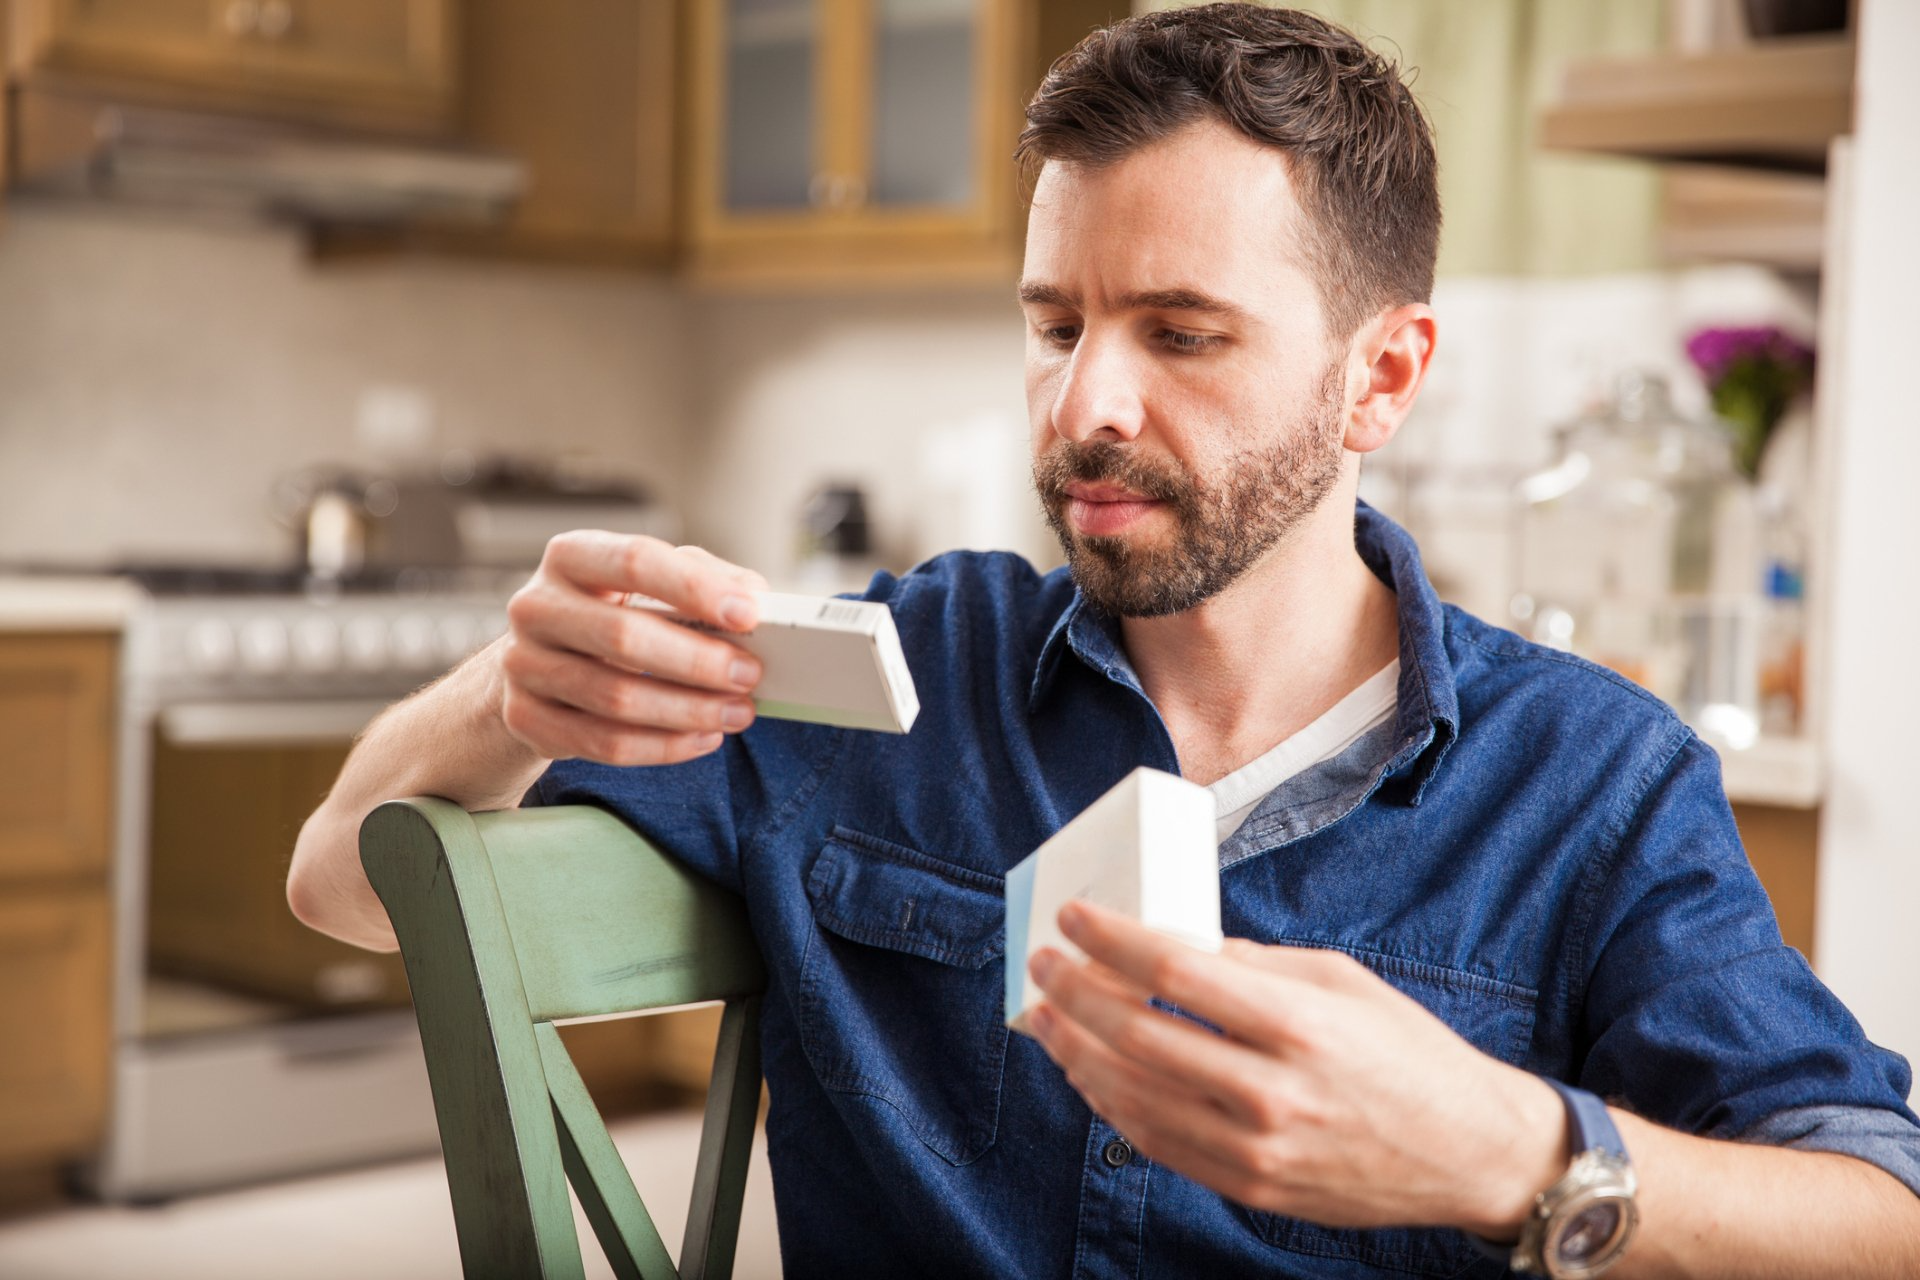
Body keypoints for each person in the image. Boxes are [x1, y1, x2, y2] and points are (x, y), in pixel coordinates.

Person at [289, 6, 1920, 1275]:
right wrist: (513, 693)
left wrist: (1516, 1158)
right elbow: (346, 886)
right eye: (1054, 323)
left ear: (1387, 376)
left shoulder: (1592, 782)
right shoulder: (882, 684)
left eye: (1183, 334)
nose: (1088, 406)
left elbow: (1880, 1214)